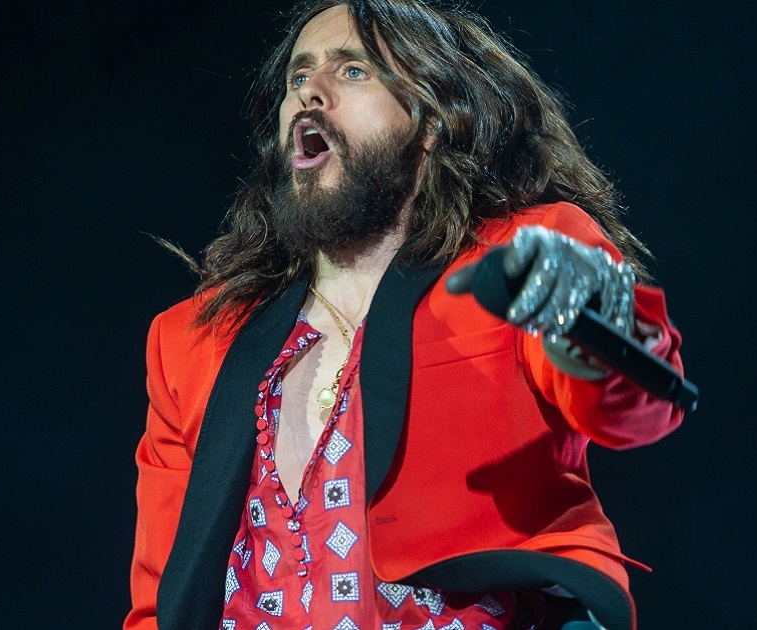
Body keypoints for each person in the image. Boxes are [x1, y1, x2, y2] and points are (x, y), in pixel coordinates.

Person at [125, 1, 685, 629]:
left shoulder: (520, 260)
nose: (309, 92)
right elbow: (160, 598)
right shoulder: (193, 339)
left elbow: (639, 404)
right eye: (298, 77)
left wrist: (587, 318)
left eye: (352, 70)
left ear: (431, 120)